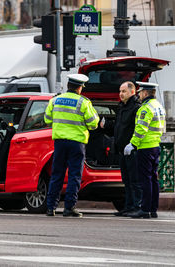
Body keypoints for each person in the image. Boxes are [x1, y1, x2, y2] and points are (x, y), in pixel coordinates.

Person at [44, 74, 99, 217]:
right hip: (77, 143)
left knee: (57, 174)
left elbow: (47, 119)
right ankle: (69, 207)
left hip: (60, 143)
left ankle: (51, 207)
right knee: (74, 175)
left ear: (68, 86)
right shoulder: (84, 102)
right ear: (80, 88)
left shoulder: (55, 100)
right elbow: (93, 123)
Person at [100, 81, 141, 216]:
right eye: (120, 91)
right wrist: (106, 125)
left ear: (132, 92)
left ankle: (137, 206)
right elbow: (119, 127)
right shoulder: (121, 107)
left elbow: (138, 129)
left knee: (135, 181)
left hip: (132, 150)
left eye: (123, 91)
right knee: (127, 181)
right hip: (121, 150)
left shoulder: (136, 108)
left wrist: (133, 145)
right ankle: (128, 207)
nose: (120, 94)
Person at [126, 82, 166, 219]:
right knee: (153, 179)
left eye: (140, 92)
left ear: (145, 93)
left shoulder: (146, 108)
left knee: (145, 180)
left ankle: (145, 209)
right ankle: (153, 209)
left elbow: (141, 129)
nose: (138, 95)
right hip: (156, 146)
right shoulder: (159, 106)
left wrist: (132, 144)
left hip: (145, 147)